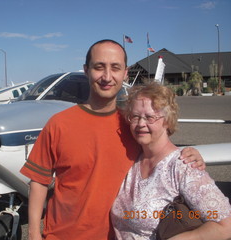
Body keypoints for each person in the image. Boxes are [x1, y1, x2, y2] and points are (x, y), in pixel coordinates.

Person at [20, 39, 205, 240]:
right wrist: (33, 233)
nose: (107, 77)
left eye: (115, 68)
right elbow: (38, 181)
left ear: (125, 73)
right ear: (86, 70)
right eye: (99, 67)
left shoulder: (134, 126)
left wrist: (188, 155)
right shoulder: (59, 124)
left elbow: (163, 154)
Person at [111, 82, 231, 239]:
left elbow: (225, 225)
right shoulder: (132, 158)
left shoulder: (183, 165)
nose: (141, 124)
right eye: (135, 116)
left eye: (150, 117)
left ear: (167, 120)